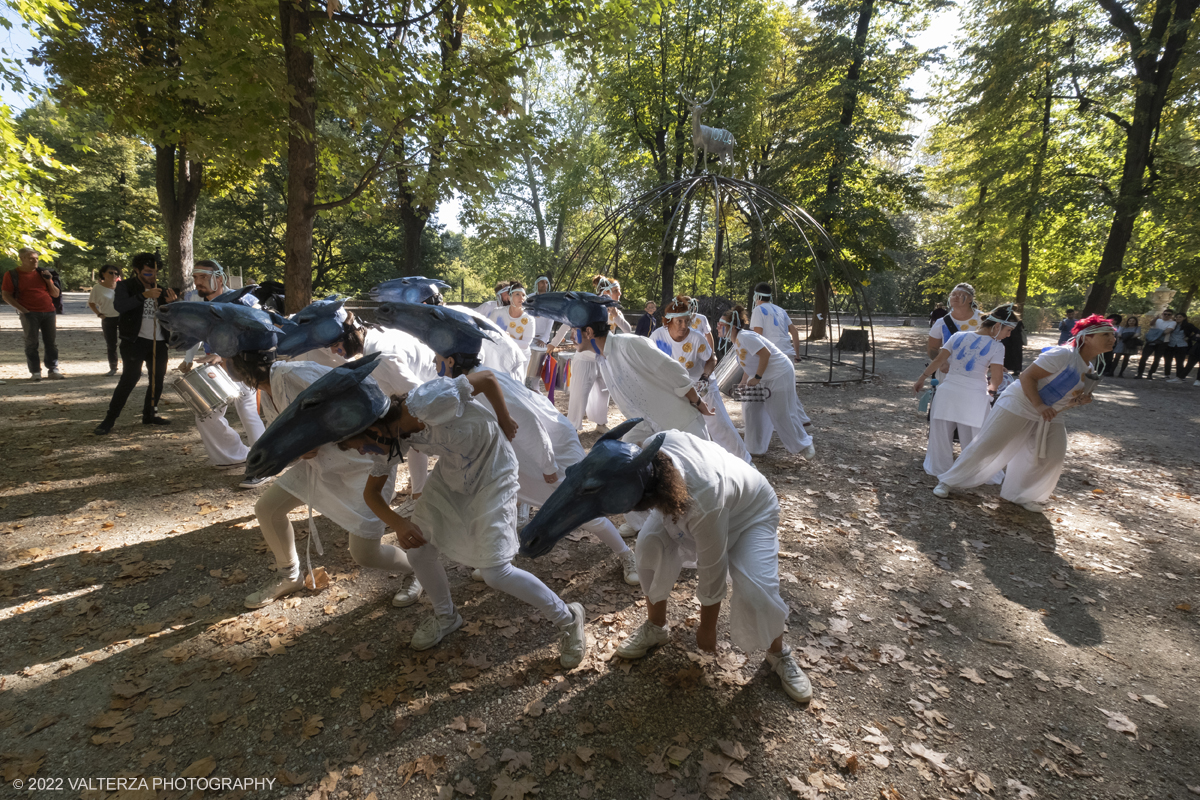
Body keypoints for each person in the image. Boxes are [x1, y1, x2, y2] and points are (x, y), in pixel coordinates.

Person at [527, 426, 811, 702]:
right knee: (648, 546)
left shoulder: (705, 500)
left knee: (757, 589)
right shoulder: (657, 464)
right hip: (690, 500)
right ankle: (656, 626)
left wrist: (707, 628)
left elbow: (713, 566)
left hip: (750, 514)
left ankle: (778, 653)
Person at [374, 301, 640, 584]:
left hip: (551, 450)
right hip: (521, 458)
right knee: (504, 505)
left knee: (579, 511)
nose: (432, 362)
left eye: (437, 355)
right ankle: (498, 560)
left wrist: (548, 465)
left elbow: (528, 423)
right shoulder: (466, 383)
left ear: (451, 361)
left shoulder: (479, 384)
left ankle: (626, 555)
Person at [339, 376, 589, 667]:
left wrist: (504, 417)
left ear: (373, 428)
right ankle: (446, 617)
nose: (363, 453)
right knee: (419, 552)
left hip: (495, 473)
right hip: (452, 477)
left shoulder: (426, 401)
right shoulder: (395, 438)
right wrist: (398, 523)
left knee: (496, 572)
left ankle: (568, 617)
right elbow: (372, 494)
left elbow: (485, 379)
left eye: (362, 446)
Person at [229, 354, 422, 609]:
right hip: (323, 465)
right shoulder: (266, 393)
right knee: (268, 508)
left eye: (223, 359)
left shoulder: (296, 373)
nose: (220, 364)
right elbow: (285, 435)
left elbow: (353, 402)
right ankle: (289, 576)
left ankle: (417, 570)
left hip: (365, 460)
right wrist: (300, 450)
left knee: (365, 553)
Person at [933, 314, 1116, 513]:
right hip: (1020, 403)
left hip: (1049, 412)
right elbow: (1027, 376)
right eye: (1105, 334)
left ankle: (1021, 495)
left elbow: (1065, 399)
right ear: (1086, 337)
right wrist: (1038, 405)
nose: (1112, 339)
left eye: (1113, 335)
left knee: (1052, 454)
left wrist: (1079, 400)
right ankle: (947, 481)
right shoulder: (1062, 354)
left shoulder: (1089, 367)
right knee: (988, 445)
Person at [276, 298, 438, 511]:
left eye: (335, 345)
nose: (334, 352)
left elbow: (421, 397)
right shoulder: (377, 336)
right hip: (431, 389)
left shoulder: (383, 357)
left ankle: (419, 499)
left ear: (351, 333)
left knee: (415, 435)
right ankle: (418, 496)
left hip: (437, 398)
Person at [176, 260, 268, 480]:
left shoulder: (242, 300)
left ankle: (263, 464)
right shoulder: (197, 302)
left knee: (248, 411)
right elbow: (197, 333)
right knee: (206, 415)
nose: (197, 282)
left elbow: (260, 329)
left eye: (202, 277)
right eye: (195, 277)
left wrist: (226, 354)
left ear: (219, 277)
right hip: (217, 367)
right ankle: (233, 456)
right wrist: (188, 359)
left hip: (244, 364)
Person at [913, 306, 1017, 479]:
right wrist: (992, 391)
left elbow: (939, 359)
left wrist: (921, 378)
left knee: (941, 435)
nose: (1009, 335)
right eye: (1008, 330)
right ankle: (972, 470)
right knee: (976, 437)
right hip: (973, 396)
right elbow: (997, 378)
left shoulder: (958, 336)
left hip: (947, 392)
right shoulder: (997, 347)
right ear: (997, 327)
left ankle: (939, 467)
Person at [651, 295, 750, 462]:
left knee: (718, 423)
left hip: (701, 383)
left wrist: (705, 378)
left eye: (687, 321)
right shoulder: (657, 337)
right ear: (668, 322)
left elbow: (711, 359)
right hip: (675, 385)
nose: (684, 326)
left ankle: (744, 461)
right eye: (679, 322)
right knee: (674, 425)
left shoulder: (696, 337)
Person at [95, 253, 178, 434]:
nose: (152, 276)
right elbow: (120, 307)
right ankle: (109, 420)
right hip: (134, 341)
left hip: (159, 342)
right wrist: (143, 296)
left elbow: (171, 319)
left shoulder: (161, 290)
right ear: (137, 270)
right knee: (130, 378)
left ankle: (150, 414)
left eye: (155, 272)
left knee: (157, 380)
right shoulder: (125, 286)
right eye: (148, 272)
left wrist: (173, 305)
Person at [721, 305, 815, 458]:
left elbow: (765, 354)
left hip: (779, 373)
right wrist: (744, 382)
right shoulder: (737, 340)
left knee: (780, 413)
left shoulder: (745, 336)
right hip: (761, 376)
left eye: (721, 324)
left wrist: (757, 378)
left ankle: (804, 443)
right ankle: (754, 448)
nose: (718, 327)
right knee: (751, 409)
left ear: (731, 326)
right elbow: (749, 362)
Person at [2, 247, 64, 380]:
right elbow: (6, 295)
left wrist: (48, 280)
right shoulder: (12, 274)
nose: (35, 261)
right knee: (31, 343)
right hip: (29, 313)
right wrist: (23, 310)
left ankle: (53, 369)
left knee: (51, 342)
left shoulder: (43, 273)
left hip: (49, 311)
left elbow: (55, 293)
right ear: (22, 259)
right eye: (31, 258)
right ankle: (35, 372)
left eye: (36, 258)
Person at [926, 284, 982, 364]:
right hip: (948, 373)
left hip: (977, 372)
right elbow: (932, 348)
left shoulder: (984, 320)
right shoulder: (941, 323)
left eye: (961, 294)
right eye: (953, 294)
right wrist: (942, 363)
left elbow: (995, 346)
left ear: (970, 299)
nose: (956, 297)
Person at [488, 281, 534, 373]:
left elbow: (525, 344)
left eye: (523, 295)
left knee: (516, 385)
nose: (521, 298)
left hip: (521, 358)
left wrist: (506, 338)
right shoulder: (497, 313)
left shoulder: (529, 319)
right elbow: (488, 332)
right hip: (499, 355)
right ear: (509, 297)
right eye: (517, 294)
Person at [750, 282, 801, 361]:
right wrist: (797, 355)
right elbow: (794, 332)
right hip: (788, 354)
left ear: (756, 296)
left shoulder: (758, 310)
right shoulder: (781, 310)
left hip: (772, 355)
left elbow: (758, 336)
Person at [88, 264, 122, 376]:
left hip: (123, 318)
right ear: (103, 274)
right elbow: (91, 303)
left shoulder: (121, 286)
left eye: (116, 273)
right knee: (111, 344)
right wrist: (99, 314)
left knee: (128, 343)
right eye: (111, 272)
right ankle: (113, 367)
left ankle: (132, 367)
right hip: (108, 318)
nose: (114, 275)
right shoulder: (98, 288)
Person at [526, 275, 555, 390]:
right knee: (527, 365)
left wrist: (544, 338)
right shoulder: (529, 298)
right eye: (542, 282)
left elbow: (551, 319)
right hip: (528, 337)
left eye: (546, 283)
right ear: (536, 284)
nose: (544, 285)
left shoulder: (550, 300)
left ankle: (534, 388)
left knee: (537, 368)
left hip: (542, 339)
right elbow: (525, 316)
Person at [1135, 309, 1176, 379]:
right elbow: (1151, 324)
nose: (1166, 315)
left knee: (1157, 359)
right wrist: (1156, 319)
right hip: (1151, 341)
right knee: (1144, 357)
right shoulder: (1158, 320)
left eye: (1168, 314)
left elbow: (1167, 331)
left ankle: (1150, 374)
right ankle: (1140, 373)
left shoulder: (1173, 322)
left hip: (1163, 342)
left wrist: (1155, 333)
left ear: (1171, 316)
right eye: (1165, 314)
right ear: (1162, 314)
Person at [1163, 312, 1197, 383]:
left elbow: (1197, 332)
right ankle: (1167, 375)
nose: (1178, 318)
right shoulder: (1173, 324)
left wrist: (1190, 338)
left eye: (1180, 317)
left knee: (1179, 362)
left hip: (1182, 345)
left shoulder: (1188, 325)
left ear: (1184, 318)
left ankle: (1179, 377)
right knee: (1168, 360)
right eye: (1177, 317)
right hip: (1171, 344)